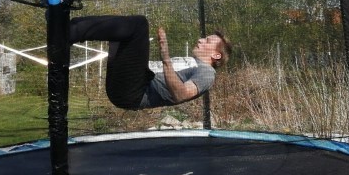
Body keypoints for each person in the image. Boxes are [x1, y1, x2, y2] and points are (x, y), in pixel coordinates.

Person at [69, 15, 231, 110]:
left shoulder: (207, 73)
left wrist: (166, 59)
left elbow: (181, 95)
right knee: (122, 28)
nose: (201, 40)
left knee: (139, 24)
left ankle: (69, 32)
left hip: (134, 93)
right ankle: (70, 24)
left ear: (216, 55)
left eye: (207, 41)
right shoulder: (192, 62)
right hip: (124, 86)